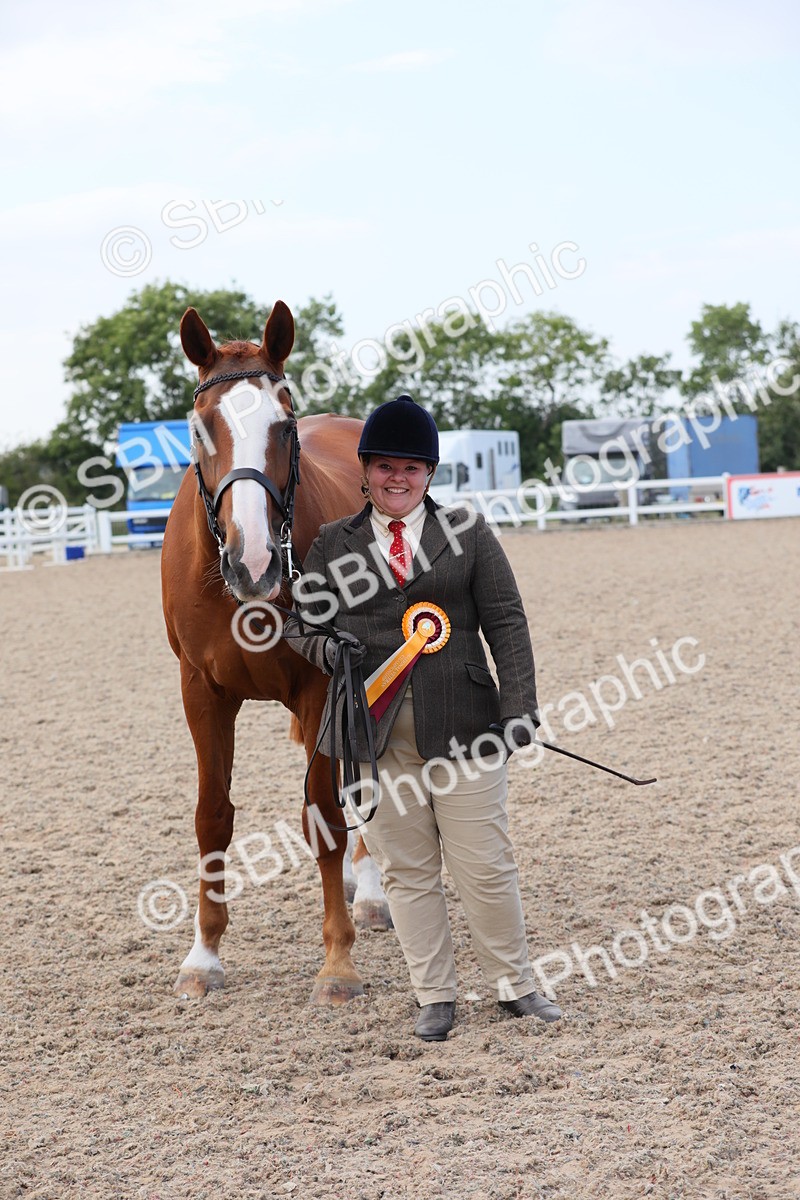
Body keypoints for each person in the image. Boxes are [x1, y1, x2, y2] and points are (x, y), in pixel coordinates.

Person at [287, 394, 562, 1041]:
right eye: (385, 466)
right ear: (366, 471)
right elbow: (301, 625)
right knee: (407, 872)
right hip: (374, 737)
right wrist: (329, 647)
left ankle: (514, 984)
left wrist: (520, 706)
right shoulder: (334, 544)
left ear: (430, 474)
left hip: (466, 724)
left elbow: (507, 623)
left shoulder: (468, 532)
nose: (398, 478)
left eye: (412, 468)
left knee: (484, 864)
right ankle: (434, 993)